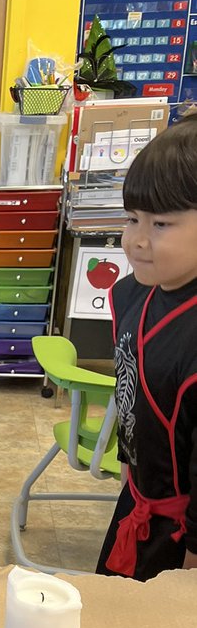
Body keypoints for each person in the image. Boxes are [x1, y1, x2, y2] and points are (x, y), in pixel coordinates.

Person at [96, 117, 197, 580]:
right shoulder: (133, 294)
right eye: (132, 219)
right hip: (136, 503)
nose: (136, 240)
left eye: (160, 224)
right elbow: (128, 390)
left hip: (183, 539)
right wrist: (127, 472)